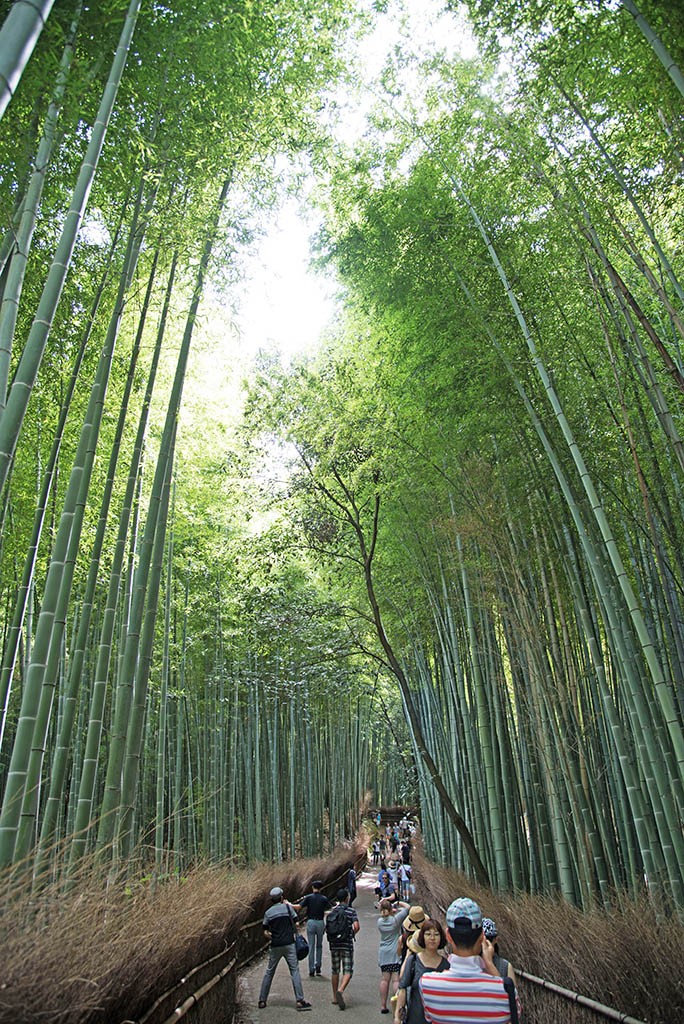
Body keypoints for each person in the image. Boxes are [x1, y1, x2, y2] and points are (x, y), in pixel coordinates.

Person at [419, 897, 513, 1023]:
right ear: (481, 937)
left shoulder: (427, 985)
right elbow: (512, 1013)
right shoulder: (505, 992)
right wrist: (489, 963)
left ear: (448, 936)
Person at [258, 886, 312, 1011]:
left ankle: (262, 1000)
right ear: (281, 897)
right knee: (294, 971)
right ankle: (299, 1000)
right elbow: (297, 923)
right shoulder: (288, 908)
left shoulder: (268, 913)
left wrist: (272, 936)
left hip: (275, 945)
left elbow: (265, 931)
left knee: (269, 972)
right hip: (289, 944)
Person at [394, 918, 450, 1024]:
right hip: (415, 1018)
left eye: (436, 934)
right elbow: (403, 989)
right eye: (428, 934)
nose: (432, 938)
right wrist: (397, 1016)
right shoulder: (414, 961)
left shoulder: (446, 965)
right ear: (422, 937)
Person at [327, 887, 360, 1010]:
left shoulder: (332, 912)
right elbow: (356, 926)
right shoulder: (351, 911)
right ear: (347, 898)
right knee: (348, 970)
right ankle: (340, 990)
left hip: (334, 944)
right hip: (346, 944)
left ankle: (335, 997)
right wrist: (351, 934)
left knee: (335, 970)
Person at [376, 899, 411, 1013]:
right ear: (391, 909)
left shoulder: (379, 922)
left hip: (384, 953)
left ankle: (383, 1005)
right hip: (395, 953)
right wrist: (398, 902)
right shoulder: (396, 920)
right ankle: (396, 1006)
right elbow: (408, 908)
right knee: (396, 980)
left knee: (384, 979)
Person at [299, 879, 332, 978]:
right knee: (319, 945)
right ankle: (318, 966)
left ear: (313, 888)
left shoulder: (308, 898)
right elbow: (330, 909)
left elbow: (298, 907)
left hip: (311, 922)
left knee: (311, 945)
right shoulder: (324, 898)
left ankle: (311, 969)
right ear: (321, 888)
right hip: (320, 922)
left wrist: (288, 904)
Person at [482, 917, 518, 985]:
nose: (484, 944)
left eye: (488, 939)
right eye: (481, 940)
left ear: (496, 940)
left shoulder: (505, 966)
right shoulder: (471, 964)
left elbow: (513, 994)